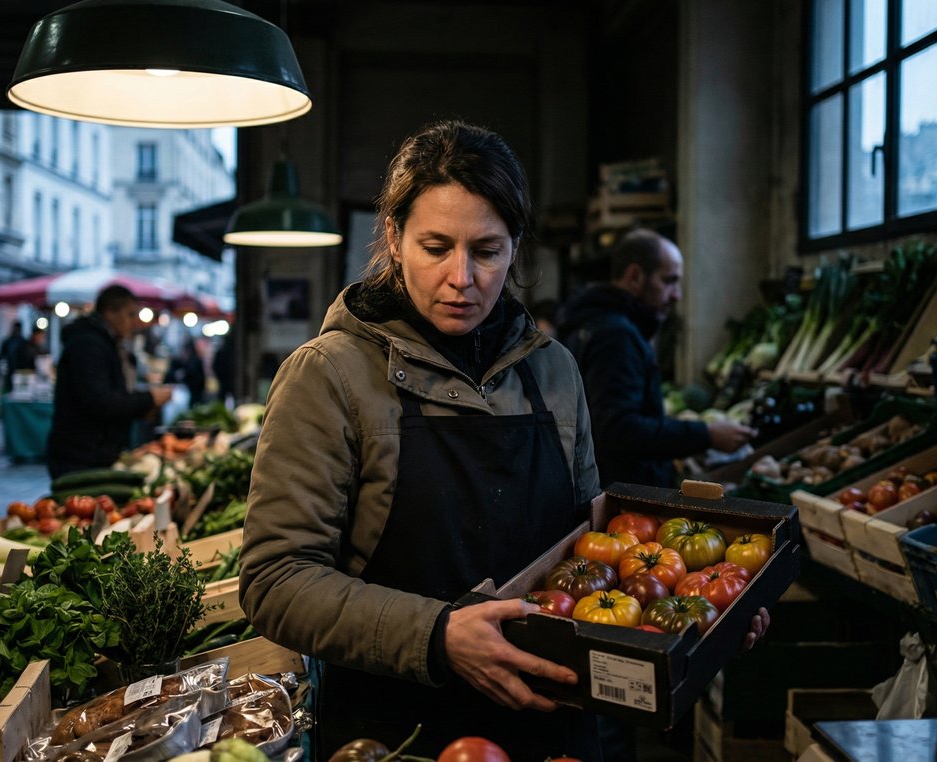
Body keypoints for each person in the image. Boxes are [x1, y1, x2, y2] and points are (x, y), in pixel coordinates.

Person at [238, 121, 765, 761]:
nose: (462, 277)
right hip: (398, 736)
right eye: (436, 246)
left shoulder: (555, 372)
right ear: (394, 239)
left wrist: (701, 615)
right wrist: (437, 635)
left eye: (486, 250)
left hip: (555, 727)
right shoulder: (328, 376)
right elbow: (277, 579)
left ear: (515, 249)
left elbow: (594, 552)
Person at [558, 229, 756, 489]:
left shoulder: (593, 323)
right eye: (669, 281)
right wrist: (705, 435)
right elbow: (618, 430)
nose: (676, 295)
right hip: (622, 493)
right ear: (635, 277)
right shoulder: (616, 336)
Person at [47, 285, 172, 479]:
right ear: (110, 312)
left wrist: (141, 409)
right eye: (130, 315)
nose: (134, 322)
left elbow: (112, 396)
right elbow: (98, 400)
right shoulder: (89, 344)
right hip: (81, 455)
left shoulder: (108, 343)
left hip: (96, 452)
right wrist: (148, 399)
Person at [0, 321, 35, 393]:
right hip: (13, 372)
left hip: (20, 373)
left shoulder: (21, 342)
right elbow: (1, 357)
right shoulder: (10, 342)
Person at [163, 338, 207, 406]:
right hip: (176, 395)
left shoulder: (195, 362)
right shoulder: (176, 362)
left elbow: (200, 381)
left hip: (193, 395)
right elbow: (168, 378)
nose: (184, 353)